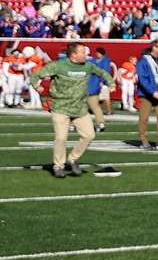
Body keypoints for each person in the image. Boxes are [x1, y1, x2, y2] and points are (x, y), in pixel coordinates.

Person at [31, 42, 114, 178]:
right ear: (73, 55)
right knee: (61, 138)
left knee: (89, 135)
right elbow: (35, 75)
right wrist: (37, 86)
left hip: (80, 108)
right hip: (60, 107)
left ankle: (72, 159)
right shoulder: (58, 65)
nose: (86, 54)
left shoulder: (88, 66)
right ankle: (58, 166)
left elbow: (103, 73)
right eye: (82, 52)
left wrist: (111, 83)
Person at [135, 38, 158, 150]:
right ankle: (143, 140)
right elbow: (142, 79)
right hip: (147, 94)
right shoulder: (143, 60)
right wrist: (152, 91)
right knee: (144, 118)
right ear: (154, 48)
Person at [86, 46, 114, 132]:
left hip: (96, 85)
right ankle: (100, 122)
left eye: (98, 53)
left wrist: (103, 81)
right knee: (95, 105)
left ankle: (108, 112)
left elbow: (105, 72)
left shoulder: (104, 61)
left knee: (103, 99)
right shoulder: (93, 61)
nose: (96, 54)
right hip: (93, 85)